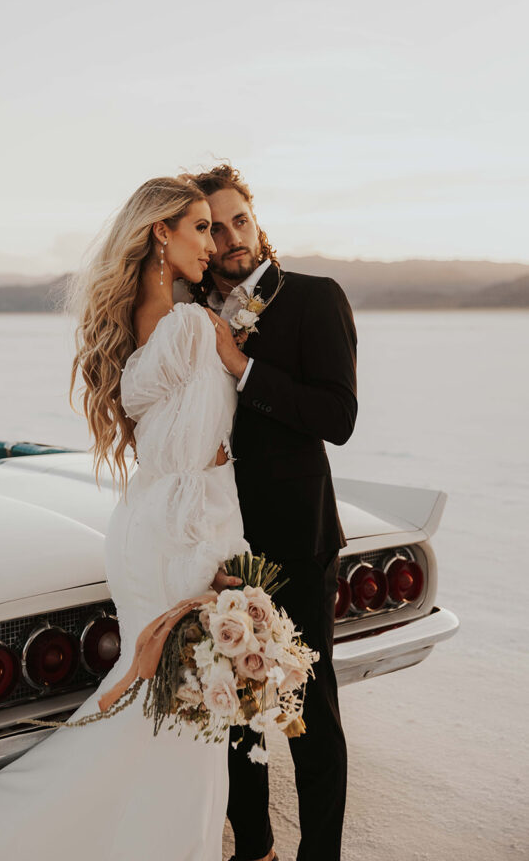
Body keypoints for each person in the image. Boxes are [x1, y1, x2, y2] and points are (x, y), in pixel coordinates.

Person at [0, 176, 252, 861]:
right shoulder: (194, 326)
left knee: (161, 709)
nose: (214, 241)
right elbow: (213, 453)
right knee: (190, 716)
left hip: (148, 528)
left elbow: (171, 446)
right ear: (159, 234)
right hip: (184, 534)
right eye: (200, 227)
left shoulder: (142, 330)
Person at [182, 163, 358, 861]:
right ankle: (253, 849)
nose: (229, 238)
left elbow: (337, 417)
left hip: (296, 538)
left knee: (309, 715)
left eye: (238, 220)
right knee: (232, 716)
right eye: (212, 226)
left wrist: (242, 367)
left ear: (257, 221)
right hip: (217, 546)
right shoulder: (184, 316)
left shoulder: (315, 299)